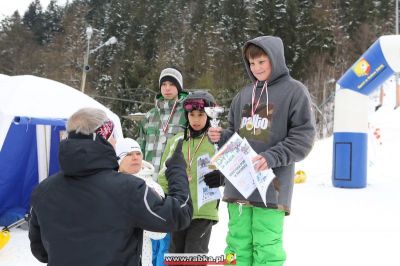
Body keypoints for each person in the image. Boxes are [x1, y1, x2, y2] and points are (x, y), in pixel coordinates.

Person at [28, 107, 192, 266]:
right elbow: (178, 215)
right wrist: (177, 169)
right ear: (103, 138)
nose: (115, 141)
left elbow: (41, 251)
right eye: (113, 136)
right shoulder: (128, 189)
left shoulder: (43, 191)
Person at [208, 36, 316, 266]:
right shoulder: (244, 95)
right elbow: (235, 135)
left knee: (267, 248)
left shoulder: (294, 92)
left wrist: (271, 157)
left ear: (274, 59)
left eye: (261, 61)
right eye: (251, 63)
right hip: (238, 184)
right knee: (235, 246)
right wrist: (221, 137)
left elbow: (303, 137)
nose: (256, 68)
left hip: (271, 187)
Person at [158, 91, 224, 257]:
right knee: (174, 255)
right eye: (192, 114)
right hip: (178, 209)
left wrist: (222, 178)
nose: (196, 119)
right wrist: (166, 197)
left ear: (209, 116)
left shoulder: (217, 141)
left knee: (194, 255)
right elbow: (163, 174)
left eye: (201, 114)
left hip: (203, 210)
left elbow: (234, 170)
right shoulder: (177, 141)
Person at [116, 137, 167, 266]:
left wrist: (139, 220)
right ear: (118, 159)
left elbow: (159, 233)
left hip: (141, 258)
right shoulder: (108, 185)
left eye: (138, 153)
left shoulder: (152, 187)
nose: (135, 158)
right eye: (128, 154)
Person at [138, 67, 189, 176]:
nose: (167, 88)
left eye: (172, 84)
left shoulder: (187, 114)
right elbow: (140, 147)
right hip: (149, 179)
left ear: (179, 87)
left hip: (173, 179)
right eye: (164, 84)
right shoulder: (149, 115)